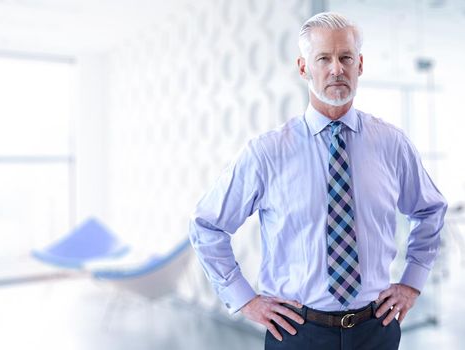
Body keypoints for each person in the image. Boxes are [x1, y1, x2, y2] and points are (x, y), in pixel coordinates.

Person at [189, 11, 447, 350]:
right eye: (323, 58)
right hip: (297, 333)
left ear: (360, 65)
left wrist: (412, 283)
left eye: (346, 57)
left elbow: (430, 210)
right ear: (303, 68)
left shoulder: (392, 144)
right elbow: (207, 225)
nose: (336, 68)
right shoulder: (266, 153)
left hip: (376, 331)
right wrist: (244, 299)